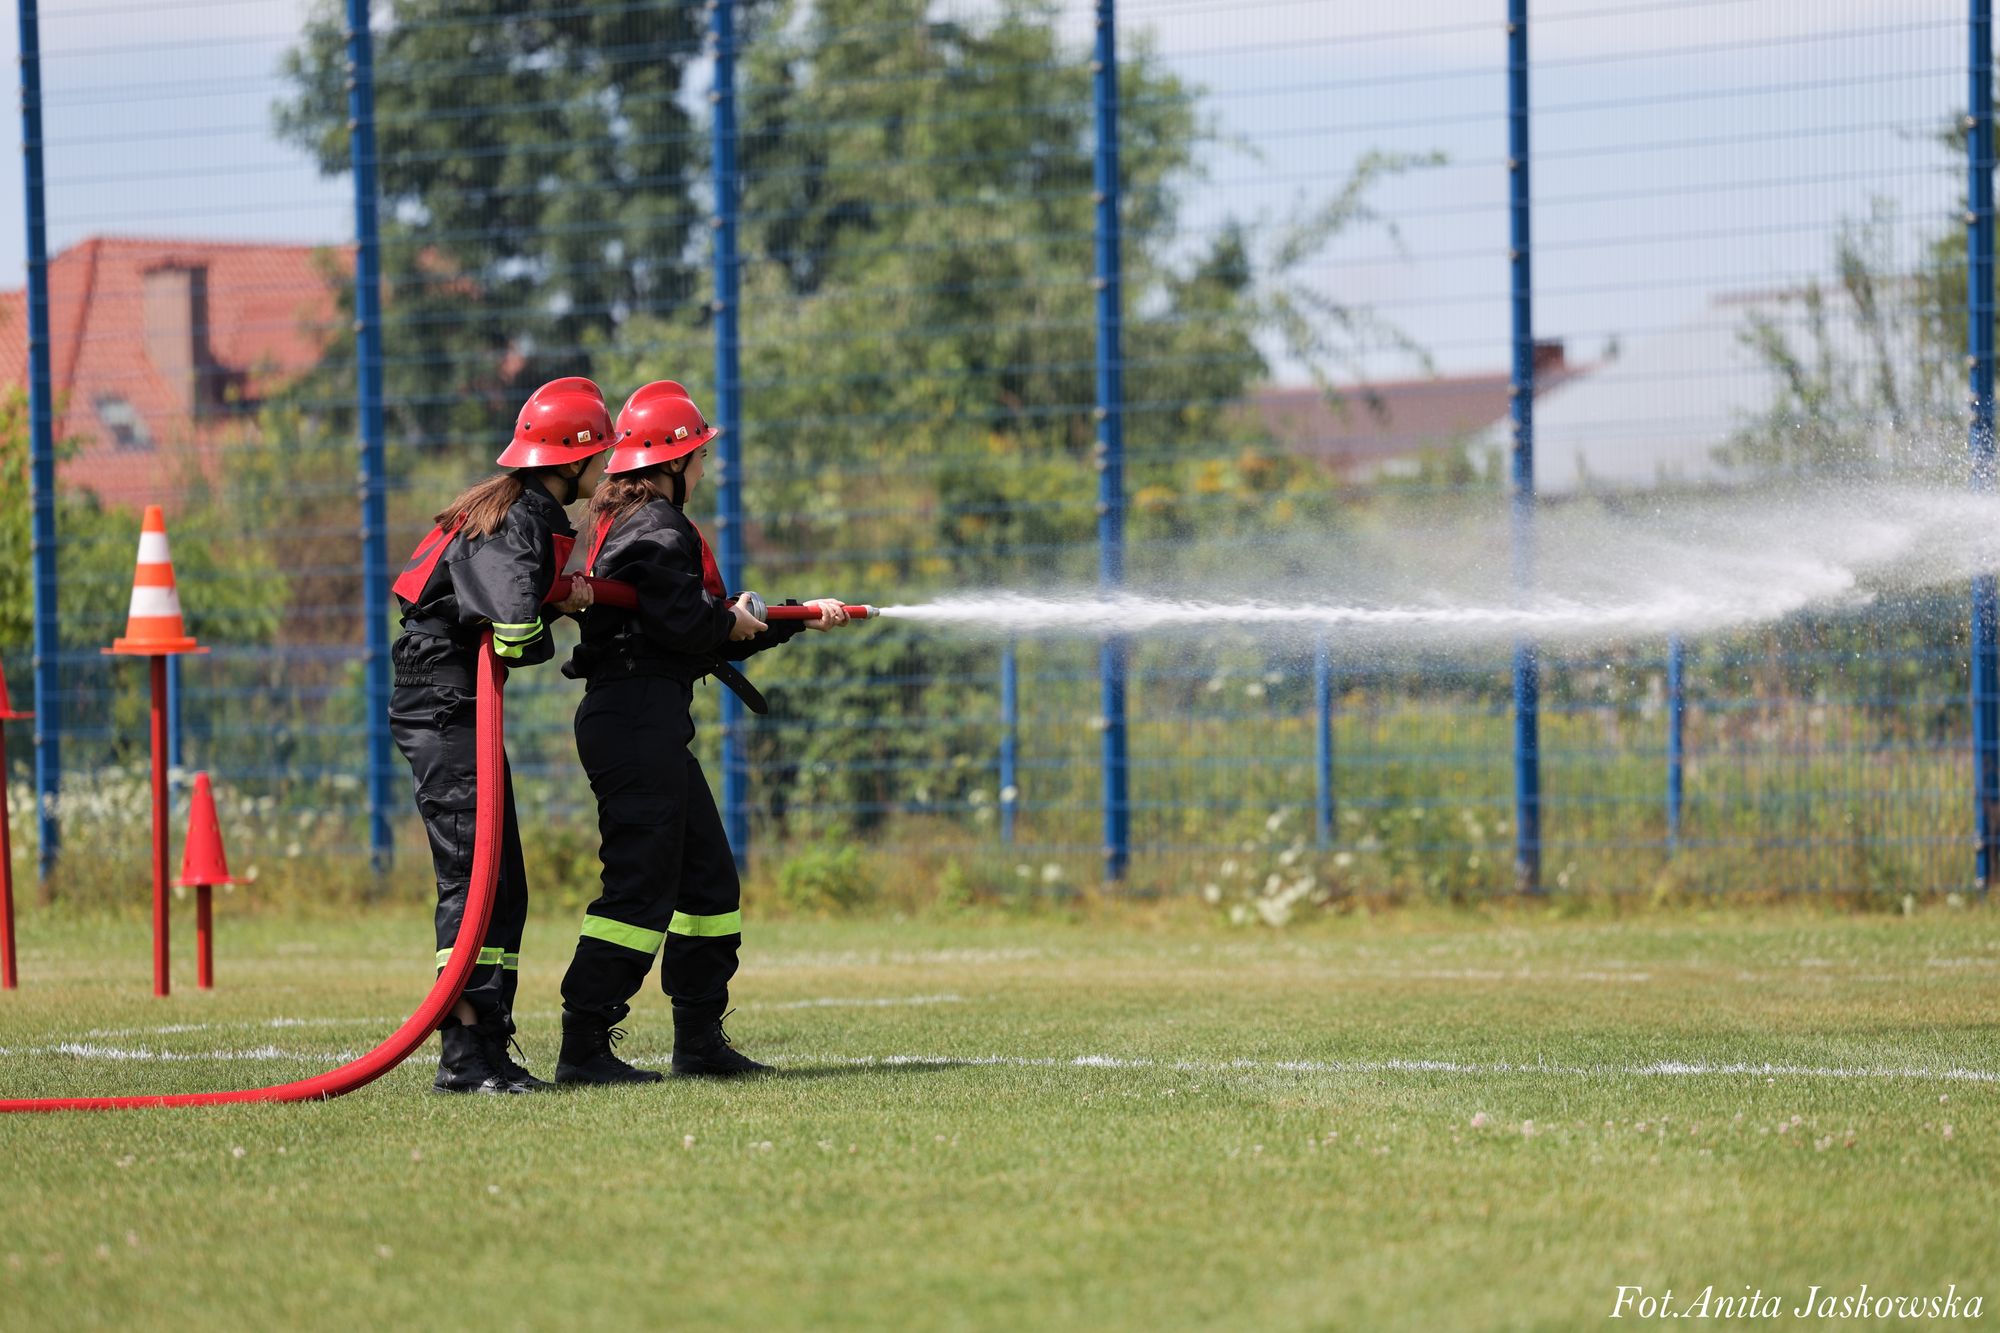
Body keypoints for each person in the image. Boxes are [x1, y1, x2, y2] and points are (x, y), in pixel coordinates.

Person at [554, 379, 851, 1084]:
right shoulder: (657, 530)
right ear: (669, 462)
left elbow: (690, 627)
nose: (703, 469)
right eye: (697, 457)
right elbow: (695, 627)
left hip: (646, 720)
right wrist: (734, 619)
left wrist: (791, 617)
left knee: (708, 883)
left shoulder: (631, 527)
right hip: (634, 721)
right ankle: (585, 1041)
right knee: (638, 890)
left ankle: (699, 1039)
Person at [389, 377, 613, 1094]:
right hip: (444, 702)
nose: (602, 471)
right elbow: (513, 633)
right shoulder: (523, 517)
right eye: (596, 457)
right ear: (567, 461)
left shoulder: (514, 505)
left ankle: (490, 1046)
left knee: (503, 884)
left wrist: (557, 593)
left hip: (453, 699)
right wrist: (557, 604)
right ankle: (462, 1056)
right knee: (474, 879)